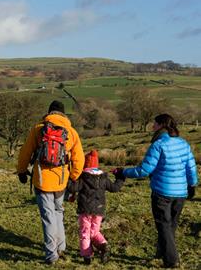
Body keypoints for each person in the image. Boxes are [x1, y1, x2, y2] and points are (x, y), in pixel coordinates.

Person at [114, 114, 198, 268]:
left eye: (154, 124)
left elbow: (144, 170)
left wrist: (123, 172)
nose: (152, 126)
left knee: (164, 226)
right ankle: (162, 252)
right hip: (180, 193)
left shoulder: (158, 145)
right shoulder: (183, 143)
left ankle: (171, 260)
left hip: (162, 192)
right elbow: (191, 167)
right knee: (171, 225)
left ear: (160, 125)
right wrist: (192, 185)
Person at [17, 100, 85, 264]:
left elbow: (25, 152)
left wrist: (21, 171)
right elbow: (79, 159)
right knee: (58, 213)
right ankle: (61, 247)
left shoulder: (38, 129)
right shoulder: (71, 132)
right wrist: (73, 177)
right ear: (63, 114)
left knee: (48, 217)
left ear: (49, 112)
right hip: (61, 180)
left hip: (42, 180)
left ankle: (51, 254)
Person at [68, 150, 125, 265]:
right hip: (99, 210)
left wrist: (69, 175)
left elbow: (72, 188)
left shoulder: (83, 178)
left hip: (85, 210)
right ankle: (104, 245)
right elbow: (114, 188)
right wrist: (120, 177)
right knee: (94, 232)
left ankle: (87, 256)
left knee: (85, 233)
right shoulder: (103, 178)